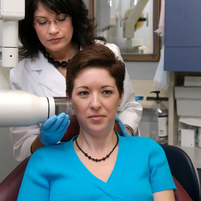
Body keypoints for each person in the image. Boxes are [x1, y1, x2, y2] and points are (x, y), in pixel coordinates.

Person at [10, 0, 142, 162]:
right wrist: (43, 139)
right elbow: (22, 149)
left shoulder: (108, 53)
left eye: (61, 19)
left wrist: (122, 131)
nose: (53, 30)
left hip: (114, 156)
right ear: (31, 25)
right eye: (42, 22)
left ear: (74, 18)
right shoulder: (21, 74)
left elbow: (129, 106)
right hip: (59, 165)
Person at [17, 44, 176, 201]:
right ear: (70, 98)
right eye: (83, 93)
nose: (95, 104)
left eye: (106, 92)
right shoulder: (44, 161)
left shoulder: (149, 152)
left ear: (120, 96)